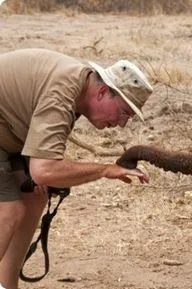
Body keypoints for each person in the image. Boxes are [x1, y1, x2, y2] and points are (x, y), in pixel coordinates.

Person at [0, 48, 153, 288]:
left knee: (34, 195)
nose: (122, 123)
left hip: (7, 136)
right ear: (103, 92)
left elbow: (40, 163)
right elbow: (45, 169)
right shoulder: (63, 91)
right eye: (124, 112)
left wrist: (35, 171)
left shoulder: (78, 90)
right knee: (9, 212)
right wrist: (104, 170)